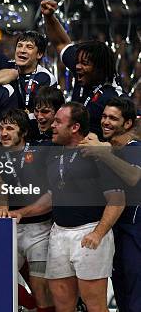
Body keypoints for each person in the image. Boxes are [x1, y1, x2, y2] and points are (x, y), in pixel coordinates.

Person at [9, 102, 125, 312]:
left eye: (58, 122)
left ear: (75, 127)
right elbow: (53, 195)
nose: (52, 125)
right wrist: (21, 213)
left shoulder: (96, 152)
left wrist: (98, 234)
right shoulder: (54, 152)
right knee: (62, 304)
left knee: (95, 305)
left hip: (89, 232)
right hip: (58, 234)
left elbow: (117, 200)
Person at [0, 109, 54, 312]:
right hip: (11, 230)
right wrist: (1, 205)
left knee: (41, 289)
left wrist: (22, 212)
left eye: (10, 128)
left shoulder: (42, 151)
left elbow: (53, 195)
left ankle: (37, 306)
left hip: (40, 230)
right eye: (1, 128)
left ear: (23, 132)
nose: (4, 133)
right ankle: (30, 306)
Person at [79, 97, 140, 312]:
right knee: (123, 298)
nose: (105, 122)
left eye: (113, 118)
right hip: (115, 232)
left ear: (128, 124)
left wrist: (103, 153)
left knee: (136, 300)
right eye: (104, 116)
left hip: (135, 233)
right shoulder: (107, 149)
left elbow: (134, 176)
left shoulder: (135, 147)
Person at [41, 0, 124, 138]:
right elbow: (61, 43)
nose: (77, 66)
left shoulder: (114, 96)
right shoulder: (83, 69)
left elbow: (133, 127)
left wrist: (105, 149)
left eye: (84, 63)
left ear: (99, 68)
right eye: (77, 62)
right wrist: (49, 17)